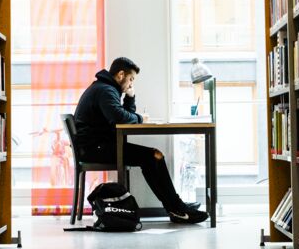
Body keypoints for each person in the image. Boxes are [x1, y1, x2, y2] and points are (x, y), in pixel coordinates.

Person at [73, 57, 209, 224]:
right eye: (131, 79)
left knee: (152, 156)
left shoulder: (105, 88)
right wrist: (139, 118)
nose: (131, 84)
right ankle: (177, 208)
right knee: (153, 156)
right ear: (121, 74)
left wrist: (130, 98)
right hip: (97, 149)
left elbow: (122, 116)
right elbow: (121, 118)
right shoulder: (106, 91)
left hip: (99, 146)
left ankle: (176, 207)